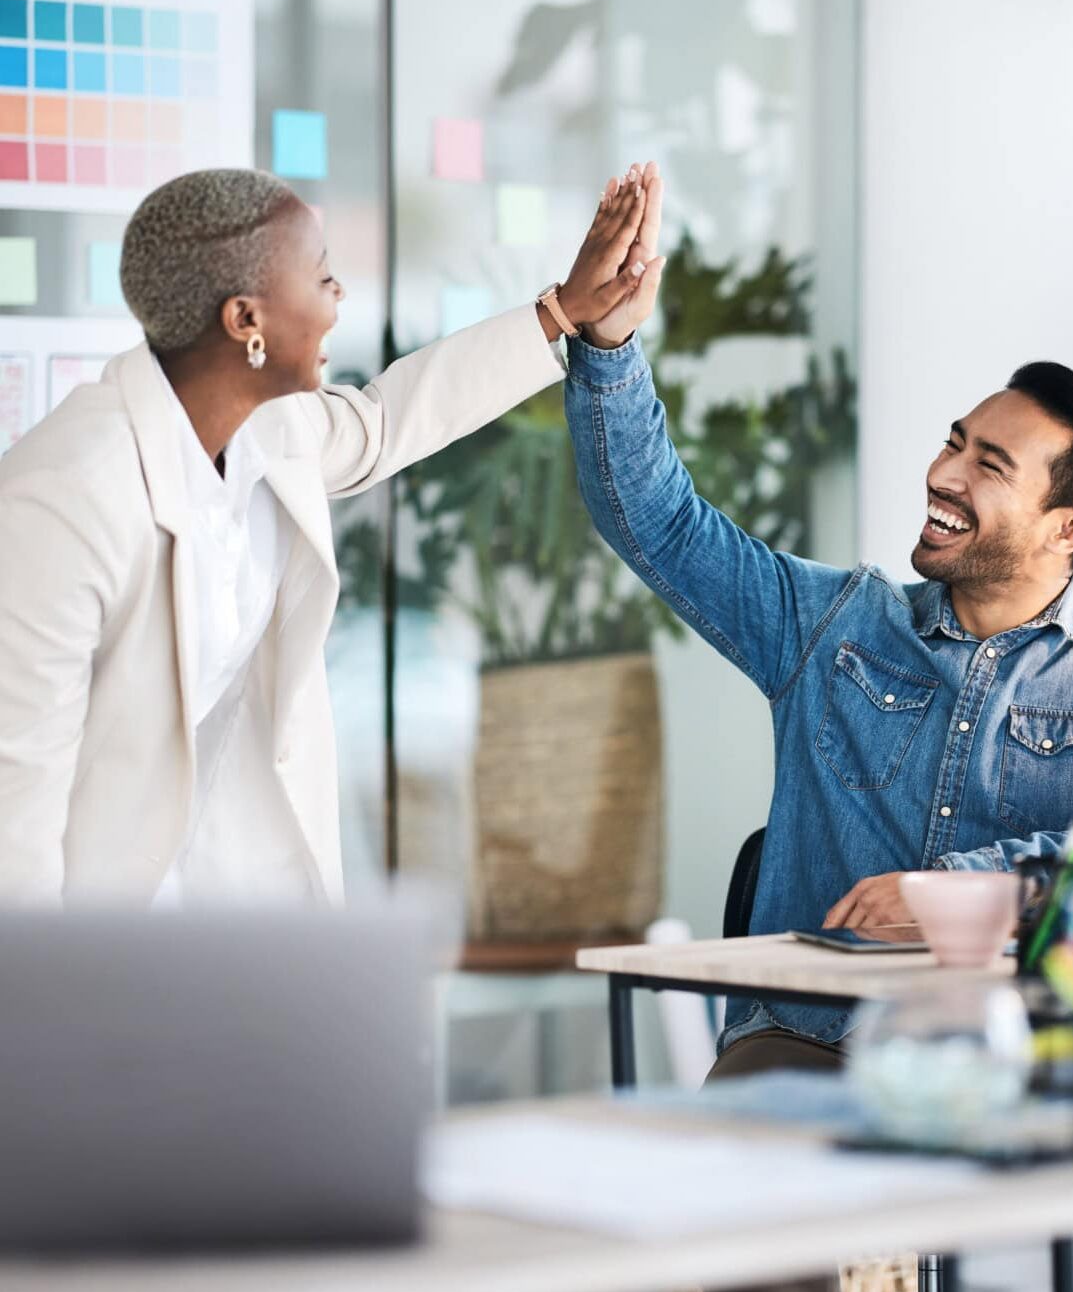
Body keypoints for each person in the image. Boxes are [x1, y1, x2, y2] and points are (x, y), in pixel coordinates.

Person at [563, 175, 1073, 1292]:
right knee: (752, 1213)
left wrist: (967, 890)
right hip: (818, 1037)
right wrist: (609, 345)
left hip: (1045, 1033)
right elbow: (655, 516)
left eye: (989, 465)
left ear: (1069, 528)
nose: (943, 473)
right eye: (954, 442)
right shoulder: (830, 624)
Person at [0, 161, 660, 905]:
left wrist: (563, 311)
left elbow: (386, 422)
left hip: (240, 907)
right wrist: (44, 1008)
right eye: (319, 277)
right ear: (245, 319)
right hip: (100, 938)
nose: (338, 297)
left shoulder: (266, 425)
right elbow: (14, 811)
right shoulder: (61, 502)